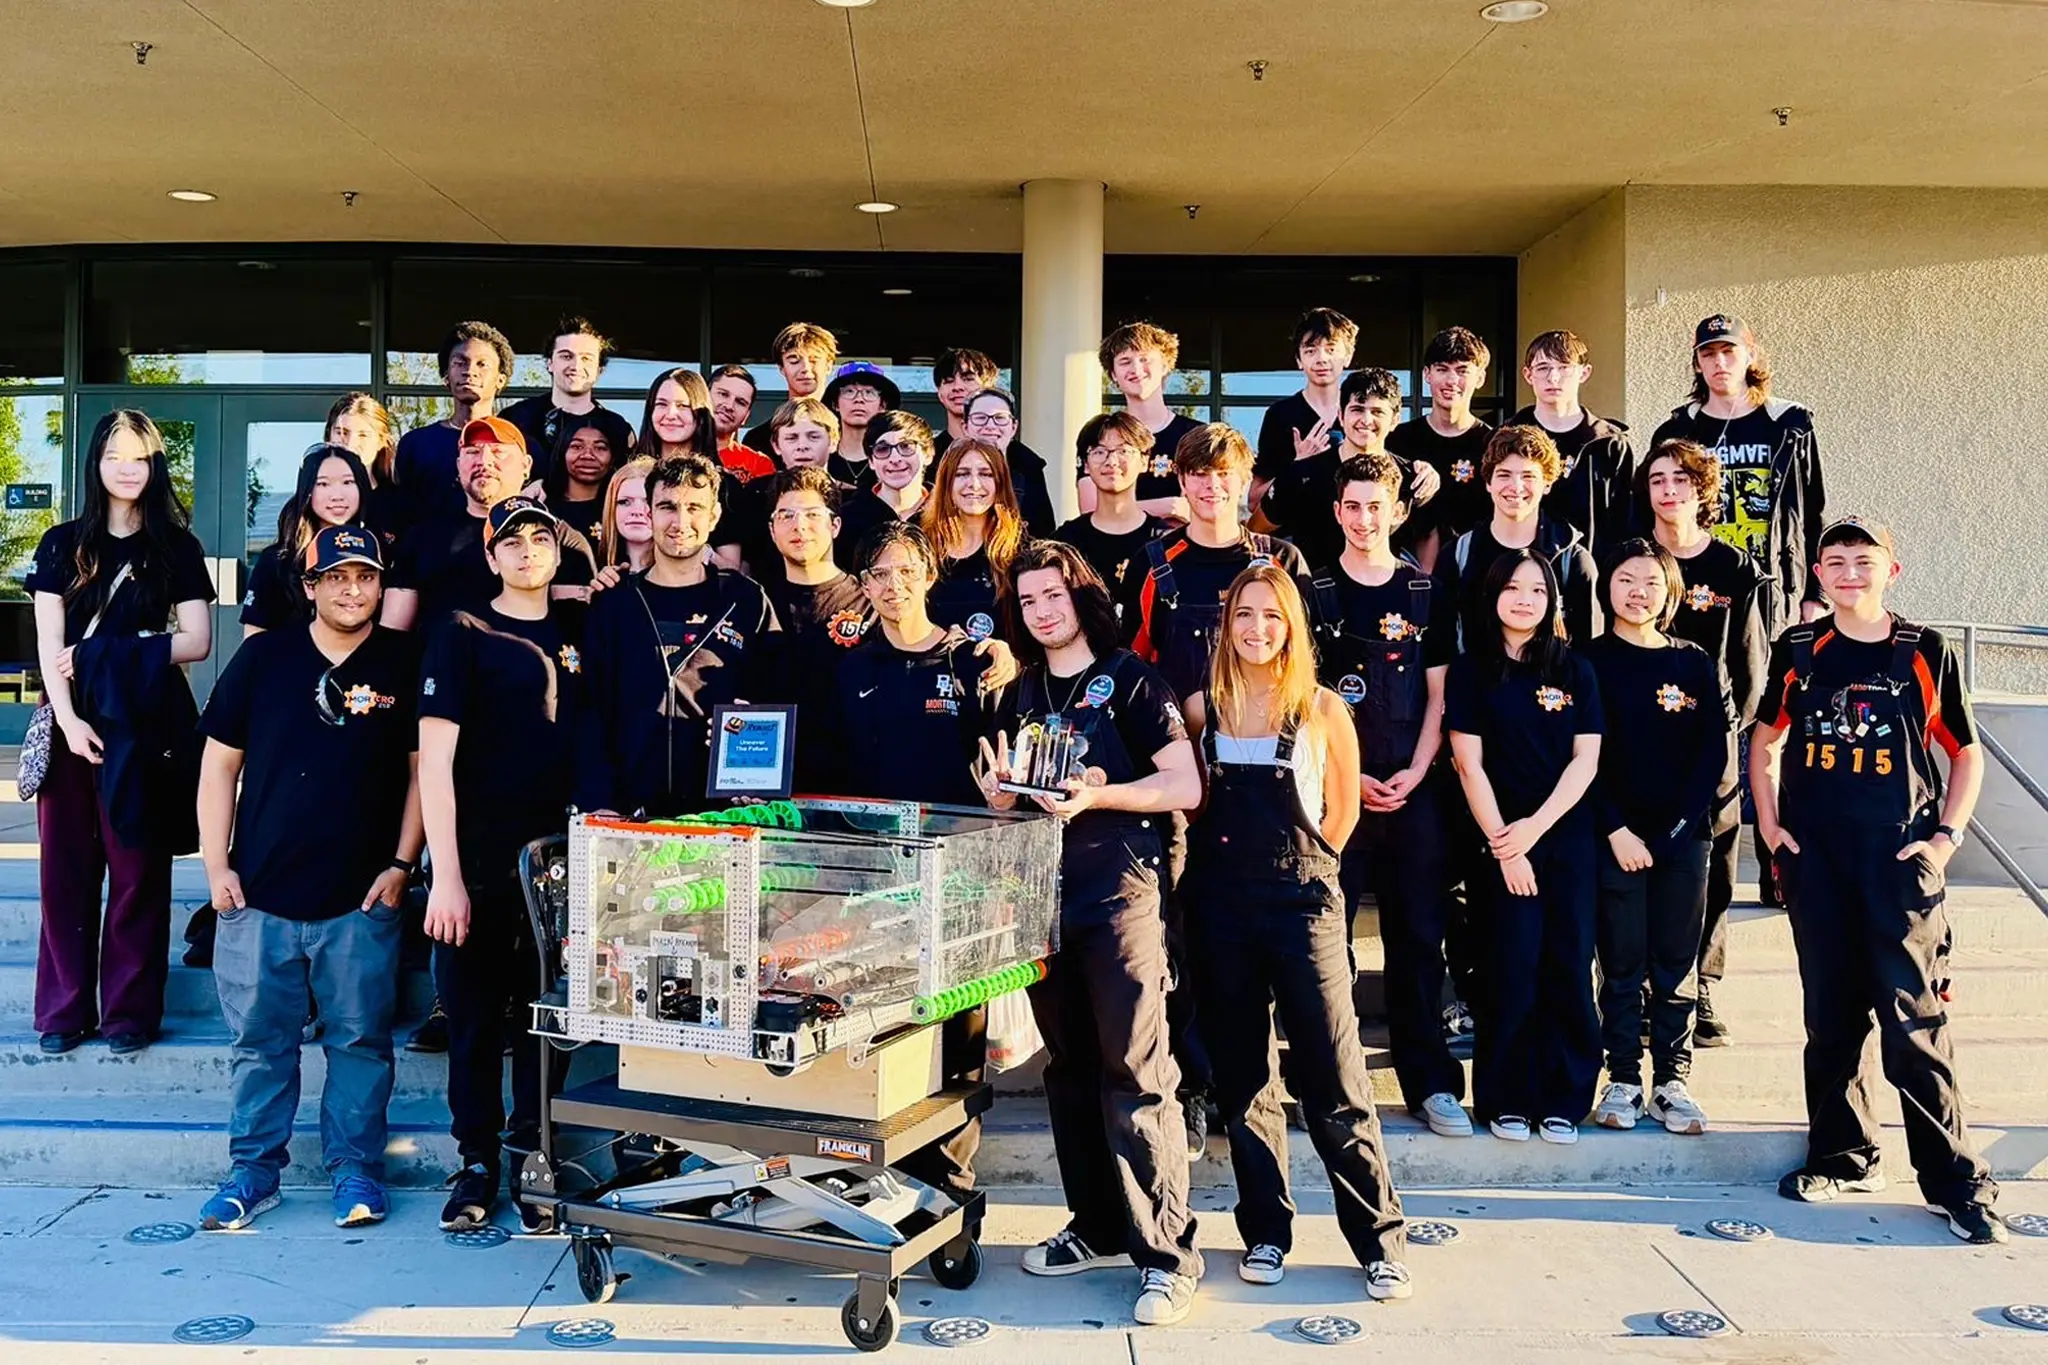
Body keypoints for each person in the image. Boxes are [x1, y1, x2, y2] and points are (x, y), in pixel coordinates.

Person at [1751, 518, 2004, 1244]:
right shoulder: (1798, 648)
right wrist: (1771, 827)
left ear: (1892, 568)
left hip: (1898, 862)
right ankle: (1843, 1155)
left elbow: (1965, 751)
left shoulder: (1923, 649)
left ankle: (1955, 1180)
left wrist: (1944, 839)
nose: (1848, 572)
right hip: (1817, 861)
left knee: (1913, 1022)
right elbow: (1765, 738)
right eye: (1834, 562)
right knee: (1831, 1018)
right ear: (1819, 575)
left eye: (1864, 561)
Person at [977, 541, 1203, 1326]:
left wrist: (1102, 796)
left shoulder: (1135, 681)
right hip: (1045, 895)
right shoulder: (1020, 693)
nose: (1043, 610)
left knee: (1137, 1068)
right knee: (1069, 1069)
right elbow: (1015, 796)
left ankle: (1167, 1252)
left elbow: (1185, 782)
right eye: (1029, 598)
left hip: (1120, 890)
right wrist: (1002, 800)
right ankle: (1100, 1225)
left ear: (1082, 596)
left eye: (1055, 594)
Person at [1183, 564, 1411, 1302]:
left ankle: (1378, 1239)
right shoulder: (1201, 709)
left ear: (1293, 625)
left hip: (1305, 902)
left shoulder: (1319, 710)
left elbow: (1342, 816)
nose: (1256, 629)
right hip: (1221, 909)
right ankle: (1266, 1232)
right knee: (1244, 1078)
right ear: (1227, 624)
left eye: (1271, 616)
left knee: (1336, 1074)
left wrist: (1308, 878)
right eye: (1244, 614)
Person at [193, 525, 422, 1232]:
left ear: (381, 586)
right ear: (311, 586)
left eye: (365, 577)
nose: (352, 590)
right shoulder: (264, 657)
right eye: (336, 577)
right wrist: (215, 863)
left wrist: (401, 864)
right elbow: (217, 767)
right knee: (261, 1046)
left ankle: (356, 1169)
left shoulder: (404, 661)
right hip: (259, 896)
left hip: (359, 900)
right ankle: (254, 1172)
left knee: (359, 1043)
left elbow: (423, 774)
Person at [419, 497, 585, 1232]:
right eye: (509, 540)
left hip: (560, 865)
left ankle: (533, 1153)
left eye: (538, 538)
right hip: (478, 860)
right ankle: (478, 1160)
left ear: (557, 550)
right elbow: (433, 762)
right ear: (490, 555)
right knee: (478, 1024)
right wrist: (444, 874)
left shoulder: (579, 630)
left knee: (545, 1022)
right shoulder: (461, 631)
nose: (525, 550)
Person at [28, 409, 214, 1056]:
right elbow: (51, 647)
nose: (127, 468)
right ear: (95, 464)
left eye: (139, 456)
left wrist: (114, 650)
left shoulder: (176, 545)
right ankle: (62, 1010)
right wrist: (71, 721)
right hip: (72, 720)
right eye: (114, 456)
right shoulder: (61, 542)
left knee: (139, 870)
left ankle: (130, 1013)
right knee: (65, 871)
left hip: (147, 723)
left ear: (156, 463)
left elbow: (197, 639)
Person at [831, 520, 1000, 1208]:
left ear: (930, 576)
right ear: (864, 586)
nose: (892, 586)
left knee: (959, 1039)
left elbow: (1000, 772)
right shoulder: (853, 667)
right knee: (881, 1032)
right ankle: (883, 1179)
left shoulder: (972, 662)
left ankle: (951, 1189)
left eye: (906, 571)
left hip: (961, 875)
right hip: (877, 880)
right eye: (878, 575)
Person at [1308, 453, 1465, 1137]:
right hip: (1339, 796)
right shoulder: (1313, 593)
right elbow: (1305, 701)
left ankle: (1430, 1083)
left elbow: (1441, 697)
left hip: (1415, 791)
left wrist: (1418, 769)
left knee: (1417, 942)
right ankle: (1335, 1085)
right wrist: (1349, 777)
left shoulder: (1425, 592)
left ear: (1399, 511)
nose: (1365, 518)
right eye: (1353, 506)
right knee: (1328, 943)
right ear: (1337, 511)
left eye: (1378, 506)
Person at [1445, 552, 1603, 1145]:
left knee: (1565, 964)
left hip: (1564, 840)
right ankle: (1504, 1097)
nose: (1524, 599)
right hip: (1498, 842)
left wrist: (1536, 828)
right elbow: (1468, 763)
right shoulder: (1470, 671)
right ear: (1492, 596)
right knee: (1509, 967)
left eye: (1537, 590)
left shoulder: (1574, 670)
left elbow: (1585, 759)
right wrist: (1506, 847)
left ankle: (1565, 1098)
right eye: (1512, 587)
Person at [1582, 538, 1731, 1136]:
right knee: (1619, 961)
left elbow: (1711, 756)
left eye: (1650, 581)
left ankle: (1672, 1079)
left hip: (1682, 841)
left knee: (1675, 961)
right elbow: (1580, 759)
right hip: (1611, 836)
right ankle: (1620, 1077)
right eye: (1625, 579)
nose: (1637, 591)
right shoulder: (1586, 661)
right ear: (1607, 587)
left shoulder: (1694, 662)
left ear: (1670, 591)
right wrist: (1615, 828)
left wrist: (1673, 834)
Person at [1644, 439, 1769, 1041]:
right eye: (1658, 479)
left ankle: (1702, 983)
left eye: (1680, 480)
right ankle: (1645, 985)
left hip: (1712, 741)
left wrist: (1733, 735)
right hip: (1638, 738)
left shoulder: (1732, 568)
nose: (1668, 490)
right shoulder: (1630, 559)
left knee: (1714, 863)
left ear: (1702, 491)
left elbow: (1751, 663)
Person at [575, 454, 780, 818]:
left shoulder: (746, 600)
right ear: (650, 513)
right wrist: (599, 801)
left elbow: (771, 695)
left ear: (714, 516)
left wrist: (757, 775)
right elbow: (590, 711)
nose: (680, 521)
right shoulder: (614, 603)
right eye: (667, 506)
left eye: (694, 507)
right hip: (626, 814)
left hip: (721, 816)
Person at [1650, 314, 1827, 635]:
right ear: (1697, 364)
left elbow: (1812, 513)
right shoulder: (1678, 430)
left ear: (1750, 355)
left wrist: (1816, 593)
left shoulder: (1789, 426)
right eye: (1708, 354)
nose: (1719, 362)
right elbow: (1652, 512)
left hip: (1771, 583)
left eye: (1729, 351)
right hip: (1696, 581)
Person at [1125, 423, 1311, 704]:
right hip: (1177, 738)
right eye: (1199, 474)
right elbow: (1131, 660)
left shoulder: (1281, 560)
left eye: (1224, 473)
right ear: (1182, 481)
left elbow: (1304, 656)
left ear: (1244, 479)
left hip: (1264, 733)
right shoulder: (1153, 563)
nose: (1212, 485)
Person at [381, 417, 597, 633]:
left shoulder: (559, 538)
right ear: (458, 465)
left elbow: (575, 631)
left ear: (526, 466)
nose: (484, 461)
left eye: (498, 451)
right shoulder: (422, 537)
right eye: (472, 452)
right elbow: (393, 634)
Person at [1433, 424, 1601, 652]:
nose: (1516, 486)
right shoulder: (1458, 556)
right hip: (1475, 686)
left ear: (1548, 484)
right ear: (1488, 483)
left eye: (1528, 476)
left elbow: (1588, 651)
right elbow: (1439, 648)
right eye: (1504, 475)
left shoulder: (1572, 560)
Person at [1260, 366, 1437, 575]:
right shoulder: (1301, 475)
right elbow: (1257, 531)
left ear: (1395, 419)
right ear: (1341, 416)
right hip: (1314, 601)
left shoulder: (1414, 479)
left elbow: (1428, 535)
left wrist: (1422, 587)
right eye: (1357, 409)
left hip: (1388, 602)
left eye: (1377, 411)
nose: (1366, 420)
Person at [757, 468, 871, 792]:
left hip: (854, 787)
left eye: (812, 514)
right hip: (768, 786)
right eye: (786, 515)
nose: (799, 526)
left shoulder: (869, 601)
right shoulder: (753, 602)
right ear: (771, 529)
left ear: (835, 525)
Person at [1511, 329, 1636, 553]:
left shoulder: (1609, 443)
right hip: (1522, 573)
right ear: (1528, 375)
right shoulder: (1508, 438)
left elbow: (1625, 521)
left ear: (1584, 373)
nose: (1553, 378)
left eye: (1564, 367)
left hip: (1593, 575)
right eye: (1543, 368)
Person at [1387, 326, 1495, 569]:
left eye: (1462, 370)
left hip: (1475, 572)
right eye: (1442, 369)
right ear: (1427, 374)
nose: (1451, 381)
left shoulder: (1493, 444)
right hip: (1406, 572)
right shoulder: (1398, 440)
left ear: (1480, 378)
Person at [241, 443, 375, 636]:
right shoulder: (278, 560)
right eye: (323, 484)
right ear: (307, 490)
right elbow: (253, 638)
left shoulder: (377, 553)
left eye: (347, 482)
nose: (337, 496)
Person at [393, 321, 516, 525]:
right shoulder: (415, 445)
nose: (470, 371)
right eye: (460, 363)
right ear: (446, 377)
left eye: (482, 364)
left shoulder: (517, 446)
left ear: (500, 380)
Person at [1081, 322, 1201, 520]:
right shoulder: (1097, 434)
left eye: (1145, 359)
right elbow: (1091, 511)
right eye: (1125, 361)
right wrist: (1169, 506)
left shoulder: (1196, 435)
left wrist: (1123, 509)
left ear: (1165, 366)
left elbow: (1205, 507)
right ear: (1113, 375)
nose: (1136, 369)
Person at [1053, 412, 1168, 604]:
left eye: (1123, 451)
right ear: (1086, 465)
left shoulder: (1165, 539)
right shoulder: (1065, 543)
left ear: (1144, 462)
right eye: (1099, 451)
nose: (1112, 461)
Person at [1251, 306, 1357, 513]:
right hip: (1295, 537)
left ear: (1348, 356)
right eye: (1310, 350)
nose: (1321, 359)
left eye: (1331, 349)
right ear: (1299, 360)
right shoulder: (1281, 416)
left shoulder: (1364, 413)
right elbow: (1253, 500)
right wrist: (1298, 465)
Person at [920, 438, 1027, 634]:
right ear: (946, 483)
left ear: (1000, 483)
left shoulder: (1021, 552)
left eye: (986, 474)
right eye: (962, 474)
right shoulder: (921, 548)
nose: (974, 484)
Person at [500, 316, 608, 473]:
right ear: (549, 363)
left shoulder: (616, 428)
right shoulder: (515, 418)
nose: (576, 366)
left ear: (599, 370)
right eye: (566, 356)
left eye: (586, 358)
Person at [835, 410, 934, 569]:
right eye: (882, 449)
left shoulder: (948, 513)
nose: (895, 459)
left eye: (906, 446)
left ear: (928, 454)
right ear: (871, 461)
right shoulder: (848, 518)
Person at [962, 388, 1057, 538]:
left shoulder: (1030, 470)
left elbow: (1043, 531)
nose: (990, 425)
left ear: (1013, 427)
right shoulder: (949, 469)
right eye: (980, 418)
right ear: (965, 427)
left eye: (1000, 418)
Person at [742, 322, 839, 458]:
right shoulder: (759, 439)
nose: (805, 368)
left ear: (829, 365)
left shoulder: (847, 431)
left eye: (814, 360)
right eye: (794, 361)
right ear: (781, 368)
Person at [542, 408, 635, 546]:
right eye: (577, 446)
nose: (587, 455)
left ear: (612, 458)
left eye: (600, 448)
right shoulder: (543, 508)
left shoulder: (622, 509)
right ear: (562, 453)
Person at [326, 393, 405, 541]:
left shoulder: (399, 506)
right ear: (328, 436)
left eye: (363, 435)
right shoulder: (312, 500)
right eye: (341, 433)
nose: (350, 444)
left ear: (381, 441)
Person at [823, 360, 899, 489]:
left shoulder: (893, 458)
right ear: (835, 404)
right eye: (849, 392)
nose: (859, 399)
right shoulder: (822, 455)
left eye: (869, 392)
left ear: (883, 405)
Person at [932, 347, 1000, 455]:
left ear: (988, 389)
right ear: (939, 393)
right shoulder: (926, 457)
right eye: (949, 381)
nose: (957, 387)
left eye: (968, 379)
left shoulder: (1019, 460)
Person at [709, 364, 767, 478]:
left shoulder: (758, 465)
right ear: (705, 395)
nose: (730, 406)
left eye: (740, 402)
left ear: (746, 416)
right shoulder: (674, 450)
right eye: (723, 394)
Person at [599, 456, 656, 573]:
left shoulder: (699, 569)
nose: (637, 511)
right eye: (625, 502)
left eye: (649, 501)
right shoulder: (593, 569)